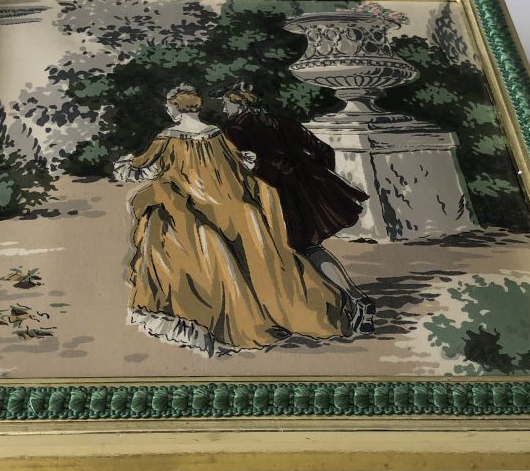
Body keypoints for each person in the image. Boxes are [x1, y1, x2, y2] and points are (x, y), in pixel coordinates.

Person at [113, 84, 352, 356]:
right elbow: (239, 168)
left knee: (159, 219)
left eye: (169, 107)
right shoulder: (216, 134)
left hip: (192, 206)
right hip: (229, 206)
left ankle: (189, 311)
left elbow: (135, 166)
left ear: (175, 109)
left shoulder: (167, 138)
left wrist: (138, 168)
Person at [218, 81, 375, 332]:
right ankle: (352, 299)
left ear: (239, 104)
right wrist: (314, 182)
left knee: (272, 249)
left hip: (270, 196)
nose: (224, 109)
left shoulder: (235, 129)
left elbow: (235, 169)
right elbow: (323, 150)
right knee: (309, 248)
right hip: (302, 193)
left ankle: (339, 302)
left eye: (226, 103)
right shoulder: (282, 122)